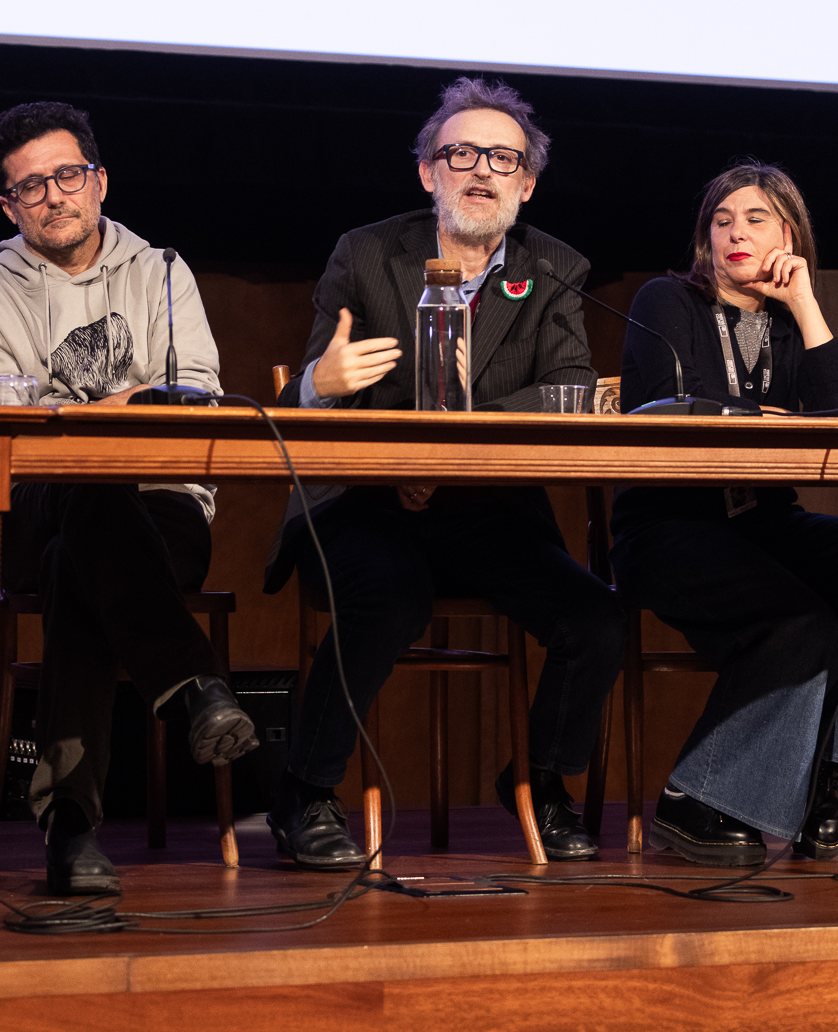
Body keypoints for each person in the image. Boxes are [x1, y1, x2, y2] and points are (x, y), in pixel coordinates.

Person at [264, 76, 624, 869]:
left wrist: (453, 449)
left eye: (504, 158)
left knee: (597, 618)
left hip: (490, 512)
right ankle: (304, 791)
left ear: (527, 185)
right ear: (429, 172)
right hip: (367, 506)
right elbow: (314, 400)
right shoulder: (366, 255)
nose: (482, 169)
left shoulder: (555, 267)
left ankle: (538, 779)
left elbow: (569, 391)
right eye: (462, 153)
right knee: (390, 596)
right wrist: (319, 386)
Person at [0, 101, 258, 896]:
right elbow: (4, 435)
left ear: (100, 181)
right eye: (32, 186)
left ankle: (71, 828)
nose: (54, 195)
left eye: (68, 175)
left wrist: (78, 419)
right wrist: (125, 409)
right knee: (81, 493)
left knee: (77, 562)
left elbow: (195, 399)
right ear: (9, 207)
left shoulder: (162, 271)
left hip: (163, 504)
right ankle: (193, 685)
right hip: (33, 504)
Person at [609, 162, 838, 865]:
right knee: (801, 621)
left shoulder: (788, 322)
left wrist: (806, 305)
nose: (735, 234)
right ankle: (694, 796)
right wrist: (774, 417)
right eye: (722, 221)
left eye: (755, 220)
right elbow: (675, 409)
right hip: (668, 528)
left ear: (790, 236)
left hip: (763, 525)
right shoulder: (667, 300)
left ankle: (823, 772)